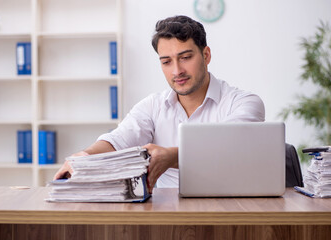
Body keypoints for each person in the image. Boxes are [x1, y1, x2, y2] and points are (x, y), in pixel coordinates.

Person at [53, 15, 265, 193]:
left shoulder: (244, 103)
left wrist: (173, 156)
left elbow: (229, 147)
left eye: (185, 57)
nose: (177, 71)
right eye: (166, 62)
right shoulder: (152, 106)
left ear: (206, 55)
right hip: (166, 212)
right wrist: (85, 156)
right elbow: (118, 139)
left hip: (228, 207)